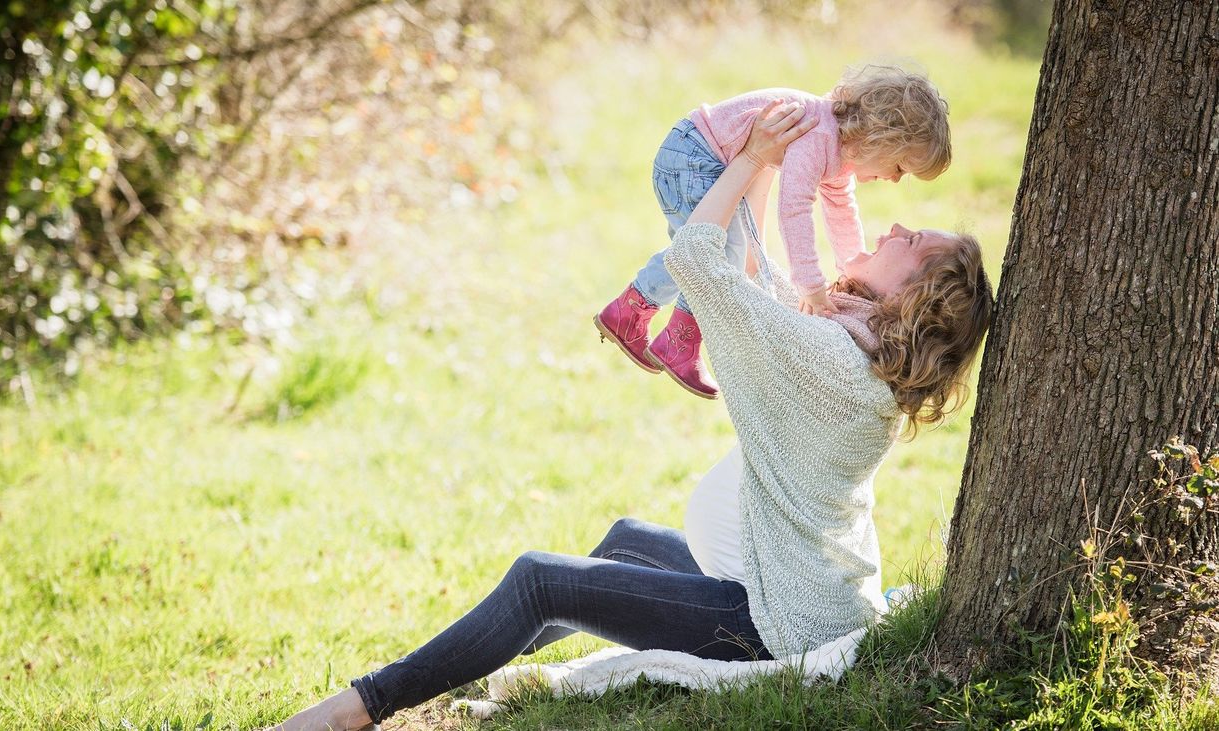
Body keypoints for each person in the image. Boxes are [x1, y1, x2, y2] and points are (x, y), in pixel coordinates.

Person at [272, 101, 992, 731]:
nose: (897, 224)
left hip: (773, 627)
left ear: (915, 299)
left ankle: (358, 707)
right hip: (797, 594)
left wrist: (746, 160)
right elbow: (757, 278)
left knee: (541, 580)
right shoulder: (850, 348)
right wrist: (771, 163)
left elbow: (699, 258)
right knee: (624, 542)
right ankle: (451, 664)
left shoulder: (829, 361)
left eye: (916, 243)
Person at [594, 64, 951, 399]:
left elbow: (841, 211)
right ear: (880, 139)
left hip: (700, 155)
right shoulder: (820, 136)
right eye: (900, 167)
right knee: (713, 252)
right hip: (693, 157)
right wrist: (810, 285)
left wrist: (851, 267)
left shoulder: (839, 152)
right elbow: (794, 208)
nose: (893, 179)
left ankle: (632, 313)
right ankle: (676, 339)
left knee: (712, 250)